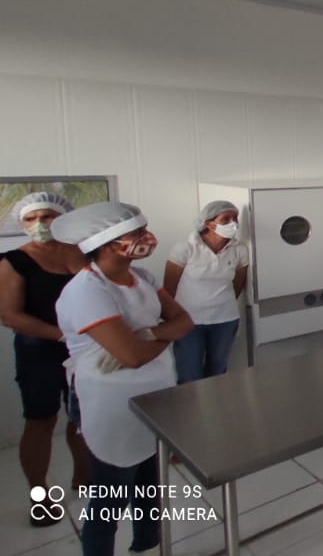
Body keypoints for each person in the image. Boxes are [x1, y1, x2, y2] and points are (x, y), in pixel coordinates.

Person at [52, 202, 194, 556]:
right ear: (109, 243)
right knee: (112, 494)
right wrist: (157, 336)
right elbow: (132, 357)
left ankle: (147, 544)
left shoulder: (143, 278)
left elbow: (185, 322)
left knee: (150, 484)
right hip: (110, 403)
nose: (147, 238)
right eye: (137, 233)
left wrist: (148, 335)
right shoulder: (86, 290)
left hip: (155, 394)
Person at [0, 193, 93, 526]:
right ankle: (39, 495)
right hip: (39, 351)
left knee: (83, 418)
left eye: (48, 216)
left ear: (63, 217)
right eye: (31, 218)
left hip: (85, 349)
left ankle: (84, 479)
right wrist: (61, 335)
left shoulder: (82, 253)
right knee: (40, 421)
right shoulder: (14, 261)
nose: (39, 224)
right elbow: (9, 315)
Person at [164, 200, 250, 384]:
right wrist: (170, 320)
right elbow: (169, 288)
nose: (233, 223)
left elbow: (238, 283)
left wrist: (220, 302)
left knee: (217, 372)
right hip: (189, 322)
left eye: (235, 218)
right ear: (208, 223)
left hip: (225, 320)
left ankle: (214, 403)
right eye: (226, 219)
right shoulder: (185, 247)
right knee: (189, 374)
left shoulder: (239, 249)